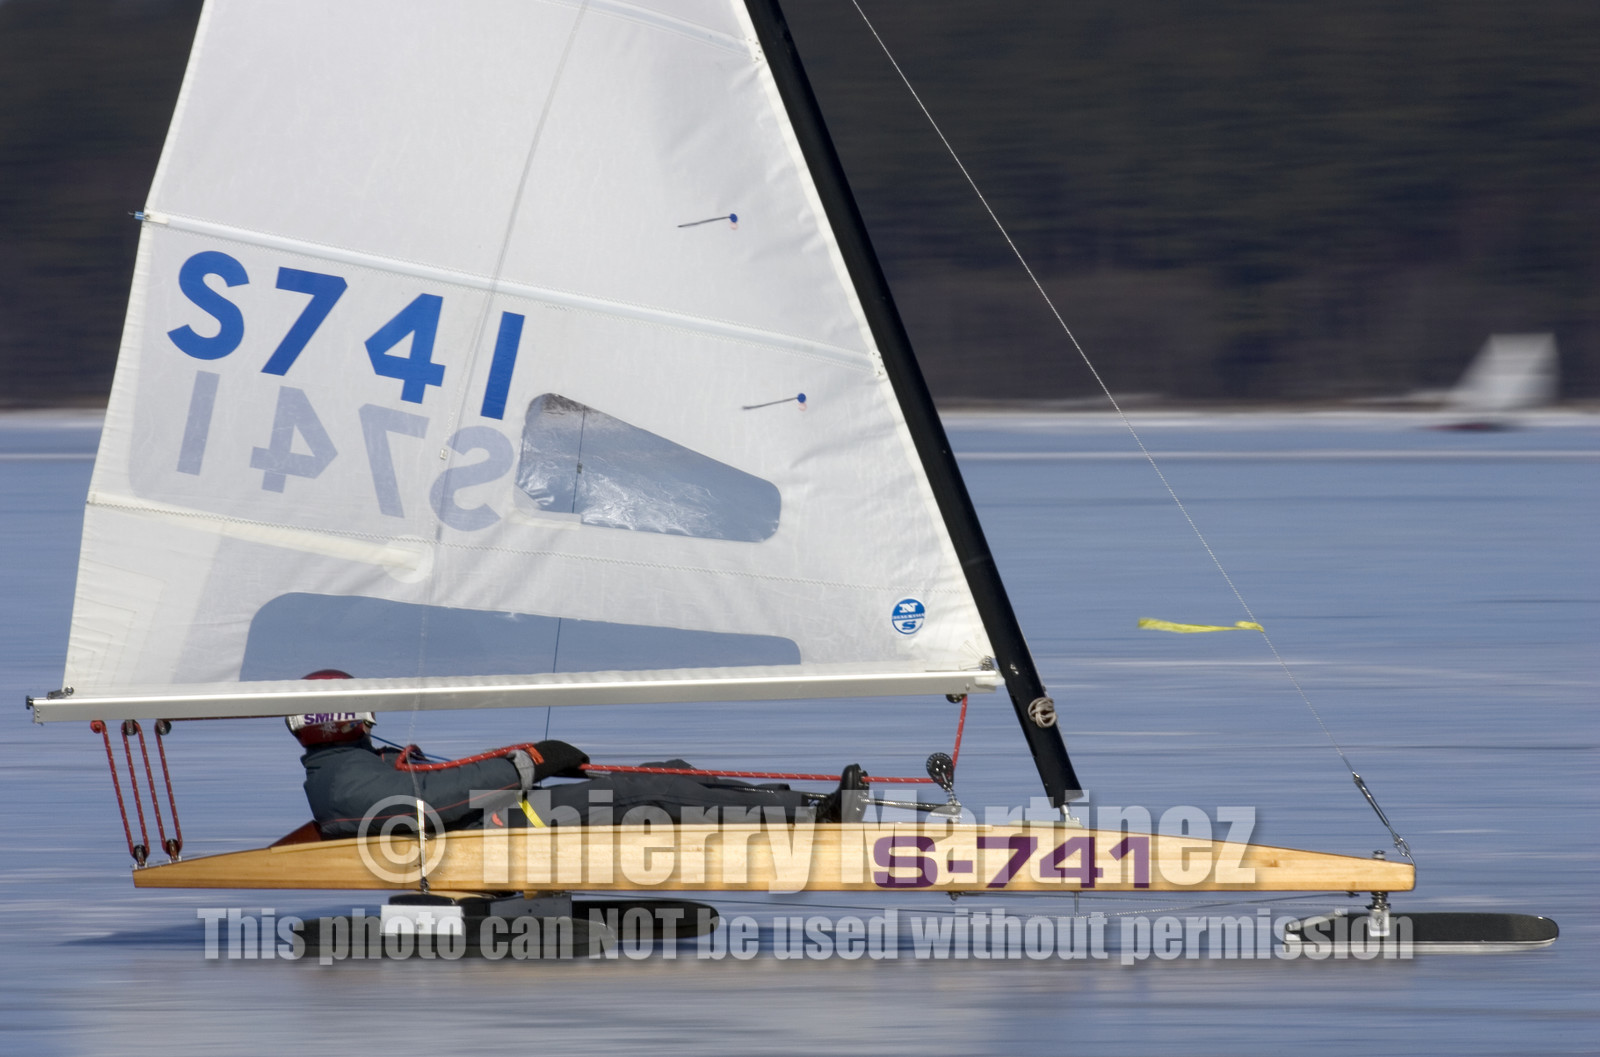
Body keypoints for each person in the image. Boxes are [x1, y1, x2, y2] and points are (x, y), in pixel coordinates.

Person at [288, 671, 865, 838]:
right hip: (487, 833)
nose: (369, 715)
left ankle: (809, 806)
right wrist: (529, 761)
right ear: (337, 721)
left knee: (667, 773)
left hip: (494, 820)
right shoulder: (340, 782)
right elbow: (426, 802)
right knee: (645, 795)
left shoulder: (348, 766)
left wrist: (535, 763)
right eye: (358, 708)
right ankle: (815, 818)